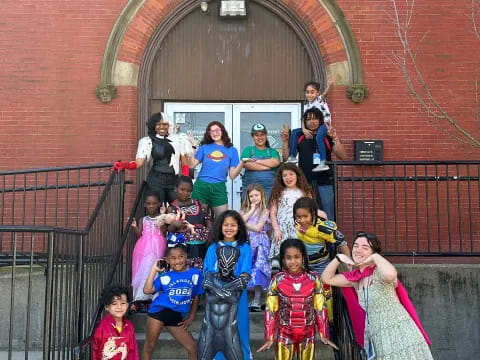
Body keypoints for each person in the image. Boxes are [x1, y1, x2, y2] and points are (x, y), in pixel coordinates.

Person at [321, 233, 434, 360]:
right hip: (378, 334)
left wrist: (375, 257)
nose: (358, 250)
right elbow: (326, 278)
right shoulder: (355, 278)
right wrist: (338, 258)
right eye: (356, 246)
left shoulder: (379, 272)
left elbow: (391, 274)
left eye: (365, 247)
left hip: (399, 330)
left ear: (373, 253)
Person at [257, 239, 332, 360]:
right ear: (283, 259)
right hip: (285, 333)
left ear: (303, 257)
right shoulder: (277, 280)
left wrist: (324, 333)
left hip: (308, 333)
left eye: (296, 257)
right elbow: (271, 310)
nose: (293, 261)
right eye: (288, 258)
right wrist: (269, 336)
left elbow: (320, 308)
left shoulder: (314, 279)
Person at [202, 210, 253, 360]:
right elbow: (207, 274)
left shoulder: (244, 248)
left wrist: (227, 289)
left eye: (233, 225)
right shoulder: (213, 248)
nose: (229, 228)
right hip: (214, 296)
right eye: (226, 225)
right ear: (220, 226)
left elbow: (245, 275)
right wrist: (218, 290)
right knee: (216, 334)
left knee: (239, 331)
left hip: (237, 297)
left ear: (239, 227)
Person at [113, 112, 193, 205]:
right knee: (156, 207)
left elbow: (183, 161)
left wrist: (185, 179)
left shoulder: (178, 139)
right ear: (153, 126)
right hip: (156, 180)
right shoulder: (147, 141)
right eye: (158, 124)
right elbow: (139, 163)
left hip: (173, 180)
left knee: (178, 206)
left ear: (169, 125)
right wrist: (125, 165)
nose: (162, 127)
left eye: (165, 124)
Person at [281, 108, 346, 221]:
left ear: (320, 120)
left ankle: (329, 238)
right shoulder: (299, 136)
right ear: (304, 122)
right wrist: (286, 142)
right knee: (305, 215)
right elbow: (286, 158)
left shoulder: (326, 135)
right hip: (305, 183)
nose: (312, 121)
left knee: (328, 214)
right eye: (309, 119)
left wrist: (335, 137)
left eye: (315, 118)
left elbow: (342, 156)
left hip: (325, 182)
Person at [141, 244, 203, 360]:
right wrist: (154, 270)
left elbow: (196, 296)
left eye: (181, 257)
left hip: (175, 316)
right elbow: (147, 290)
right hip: (158, 312)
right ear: (168, 260)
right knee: (149, 346)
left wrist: (191, 316)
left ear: (186, 257)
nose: (177, 261)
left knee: (192, 347)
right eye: (173, 258)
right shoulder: (165, 276)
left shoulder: (195, 274)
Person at [188, 121, 246, 217]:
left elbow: (232, 175)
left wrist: (242, 163)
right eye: (211, 131)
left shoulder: (232, 150)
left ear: (222, 131)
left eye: (217, 130)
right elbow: (191, 165)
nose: (215, 133)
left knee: (222, 219)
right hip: (201, 186)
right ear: (209, 134)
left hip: (219, 187)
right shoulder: (204, 147)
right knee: (198, 218)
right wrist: (193, 147)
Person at [269, 163, 313, 270]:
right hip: (282, 230)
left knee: (297, 255)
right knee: (282, 258)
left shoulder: (304, 192)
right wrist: (276, 229)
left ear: (297, 175)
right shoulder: (278, 193)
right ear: (281, 178)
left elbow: (311, 211)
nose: (288, 178)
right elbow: (273, 214)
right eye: (285, 175)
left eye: (291, 174)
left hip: (298, 230)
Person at [286, 78, 334, 172]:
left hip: (324, 125)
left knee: (319, 138)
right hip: (311, 127)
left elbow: (325, 95)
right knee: (295, 132)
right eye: (307, 92)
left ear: (317, 93)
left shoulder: (319, 100)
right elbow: (304, 119)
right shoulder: (307, 106)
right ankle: (292, 156)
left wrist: (329, 87)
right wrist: (304, 129)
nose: (310, 94)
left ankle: (323, 162)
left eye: (312, 92)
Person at [293, 197, 350, 275]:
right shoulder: (297, 224)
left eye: (305, 216)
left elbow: (341, 242)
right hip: (303, 263)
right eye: (299, 217)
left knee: (321, 286)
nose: (302, 220)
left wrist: (348, 259)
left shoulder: (321, 228)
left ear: (313, 214)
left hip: (321, 265)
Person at [167, 176, 212, 269]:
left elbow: (208, 221)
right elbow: (169, 230)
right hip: (183, 246)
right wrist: (174, 224)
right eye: (182, 189)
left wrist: (210, 236)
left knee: (200, 269)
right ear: (176, 189)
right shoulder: (172, 208)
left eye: (188, 191)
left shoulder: (200, 204)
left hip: (201, 244)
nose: (185, 193)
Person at [131, 194, 167, 308]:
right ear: (145, 205)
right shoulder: (143, 219)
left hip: (158, 245)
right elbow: (139, 234)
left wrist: (162, 216)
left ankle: (154, 295)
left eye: (154, 203)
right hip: (143, 246)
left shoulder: (162, 217)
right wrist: (134, 227)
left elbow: (163, 232)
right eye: (149, 204)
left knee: (155, 267)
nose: (151, 206)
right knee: (143, 268)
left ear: (159, 204)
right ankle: (141, 296)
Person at [240, 183, 271, 312]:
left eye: (256, 195)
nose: (254, 198)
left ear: (262, 195)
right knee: (246, 269)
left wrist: (244, 223)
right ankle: (245, 299)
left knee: (258, 269)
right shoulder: (245, 209)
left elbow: (258, 228)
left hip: (260, 243)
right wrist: (251, 210)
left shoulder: (265, 210)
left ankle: (257, 299)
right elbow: (240, 220)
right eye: (251, 195)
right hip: (247, 243)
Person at [92, 284, 138, 360]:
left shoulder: (129, 326)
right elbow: (95, 352)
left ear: (127, 305)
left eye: (123, 303)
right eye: (114, 303)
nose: (119, 307)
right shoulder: (101, 327)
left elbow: (133, 352)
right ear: (107, 307)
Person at [240, 123, 281, 200]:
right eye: (257, 135)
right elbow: (247, 165)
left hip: (269, 190)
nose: (260, 137)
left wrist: (256, 161)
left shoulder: (272, 151)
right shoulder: (248, 150)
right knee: (250, 211)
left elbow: (276, 162)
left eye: (262, 134)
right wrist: (269, 166)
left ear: (266, 135)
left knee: (268, 211)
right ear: (253, 137)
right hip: (250, 191)